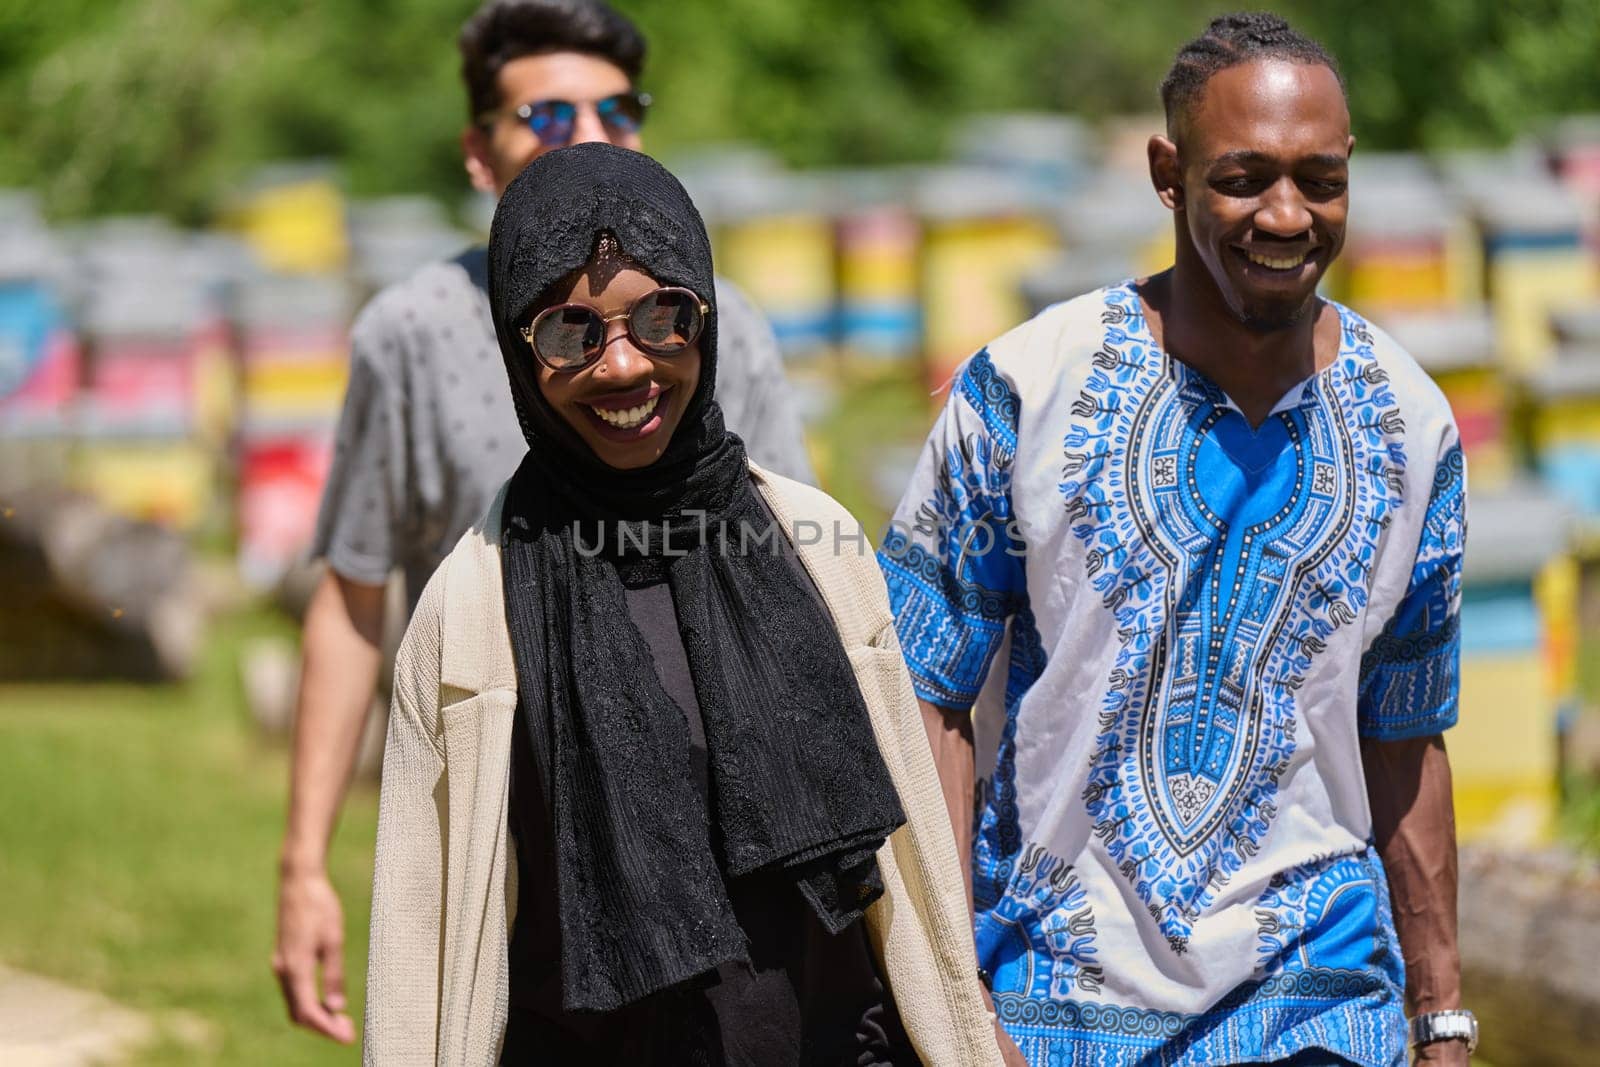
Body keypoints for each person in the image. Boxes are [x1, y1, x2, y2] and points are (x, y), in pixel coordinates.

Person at [878, 13, 1471, 1067]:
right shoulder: (1022, 390)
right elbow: (925, 695)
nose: (1285, 214)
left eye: (1318, 179)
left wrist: (1441, 1018)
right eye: (1243, 177)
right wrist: (955, 997)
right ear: (1168, 172)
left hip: (1319, 996)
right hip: (1053, 1001)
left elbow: (1405, 730)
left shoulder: (1413, 424)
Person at [362, 142, 1000, 1065]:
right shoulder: (471, 608)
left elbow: (909, 883)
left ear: (704, 314)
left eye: (662, 317)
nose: (623, 366)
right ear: (516, 349)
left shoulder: (813, 545)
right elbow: (420, 946)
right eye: (569, 331)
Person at [273, 0, 814, 1043]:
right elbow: (352, 599)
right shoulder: (410, 335)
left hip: (710, 825)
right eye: (551, 116)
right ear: (481, 153)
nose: (593, 137)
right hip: (502, 816)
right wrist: (304, 865)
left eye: (616, 109)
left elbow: (785, 570)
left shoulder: (715, 322)